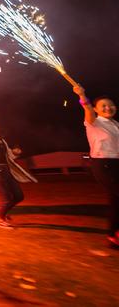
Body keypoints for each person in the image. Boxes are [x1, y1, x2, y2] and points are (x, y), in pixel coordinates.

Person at [73, 85, 119, 247]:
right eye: (103, 106)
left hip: (116, 164)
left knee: (115, 201)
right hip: (103, 164)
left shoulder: (116, 125)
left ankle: (113, 236)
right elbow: (87, 109)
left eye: (111, 105)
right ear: (96, 109)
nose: (108, 108)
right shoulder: (94, 122)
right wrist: (82, 95)